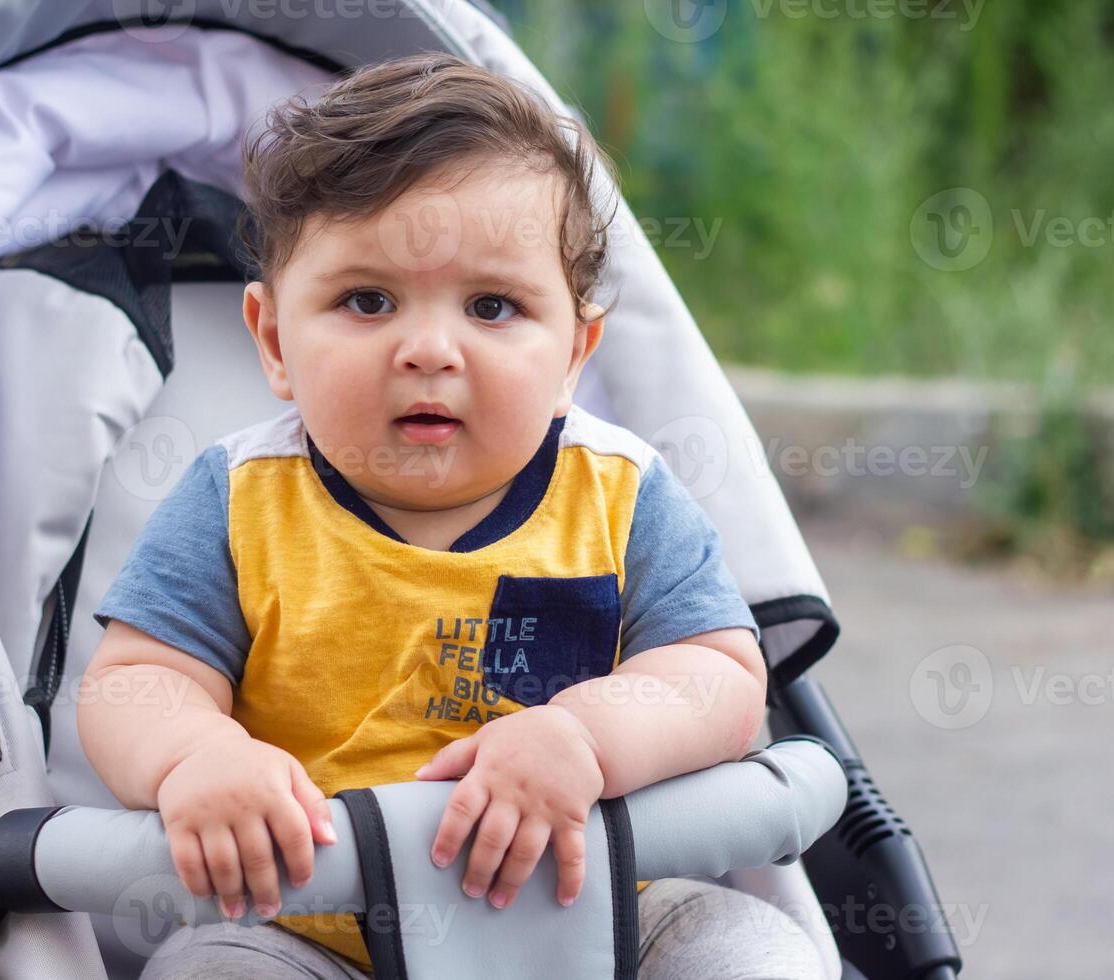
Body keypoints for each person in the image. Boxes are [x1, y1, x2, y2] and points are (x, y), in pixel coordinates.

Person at [79, 51, 824, 979]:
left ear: (574, 355)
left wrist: (585, 734)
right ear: (273, 340)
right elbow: (133, 679)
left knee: (751, 953)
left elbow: (718, 675)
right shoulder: (237, 502)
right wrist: (196, 755)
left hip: (605, 918)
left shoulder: (623, 496)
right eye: (368, 300)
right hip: (312, 932)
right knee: (204, 970)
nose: (429, 349)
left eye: (492, 306)